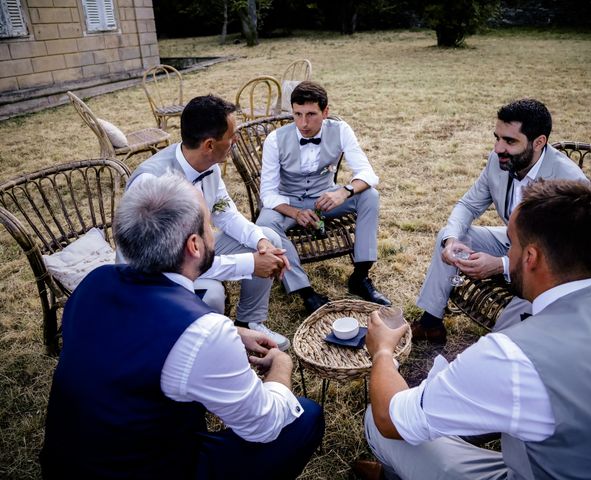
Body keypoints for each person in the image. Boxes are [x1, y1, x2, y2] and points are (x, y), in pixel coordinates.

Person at [40, 174, 324, 479]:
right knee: (305, 416)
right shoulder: (203, 331)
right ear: (195, 245)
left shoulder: (94, 282)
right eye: (208, 225)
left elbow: (132, 336)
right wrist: (282, 366)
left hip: (65, 464)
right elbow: (265, 426)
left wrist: (236, 332)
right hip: (150, 469)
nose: (213, 231)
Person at [356, 179, 591, 480]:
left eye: (511, 244)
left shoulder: (511, 356)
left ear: (530, 257)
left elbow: (391, 419)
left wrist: (383, 351)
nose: (509, 254)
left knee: (376, 421)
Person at [412, 98, 588, 345]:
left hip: (551, 260)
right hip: (513, 241)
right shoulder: (499, 161)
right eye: (497, 138)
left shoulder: (570, 182)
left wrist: (502, 265)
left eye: (510, 141)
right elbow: (469, 205)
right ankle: (431, 323)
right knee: (451, 234)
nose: (497, 148)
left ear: (539, 142)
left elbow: (564, 252)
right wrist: (451, 241)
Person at [123, 94, 291, 350]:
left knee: (269, 237)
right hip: (153, 278)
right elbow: (174, 264)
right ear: (210, 144)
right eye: (232, 136)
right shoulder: (152, 183)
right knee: (212, 294)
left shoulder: (208, 165)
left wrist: (262, 242)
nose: (236, 140)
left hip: (192, 252)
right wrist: (250, 264)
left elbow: (227, 213)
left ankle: (249, 322)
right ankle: (200, 346)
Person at [257, 81, 390, 313]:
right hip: (287, 202)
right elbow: (267, 193)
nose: (303, 123)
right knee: (264, 225)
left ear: (325, 112)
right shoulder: (275, 140)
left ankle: (360, 276)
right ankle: (305, 291)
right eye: (297, 114)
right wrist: (295, 213)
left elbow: (368, 174)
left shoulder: (340, 130)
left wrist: (343, 191)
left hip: (325, 199)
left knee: (370, 195)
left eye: (311, 114)